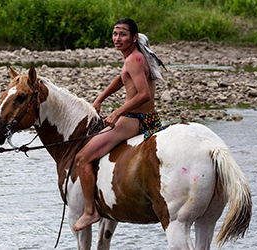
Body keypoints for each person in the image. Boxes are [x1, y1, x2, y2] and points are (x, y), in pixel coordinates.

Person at [73, 18, 165, 231]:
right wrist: (100, 98)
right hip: (149, 119)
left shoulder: (134, 59)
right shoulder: (136, 57)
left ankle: (90, 212)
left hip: (132, 121)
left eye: (122, 34)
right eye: (115, 34)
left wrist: (117, 113)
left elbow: (143, 94)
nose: (117, 38)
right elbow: (123, 77)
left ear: (134, 37)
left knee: (82, 158)